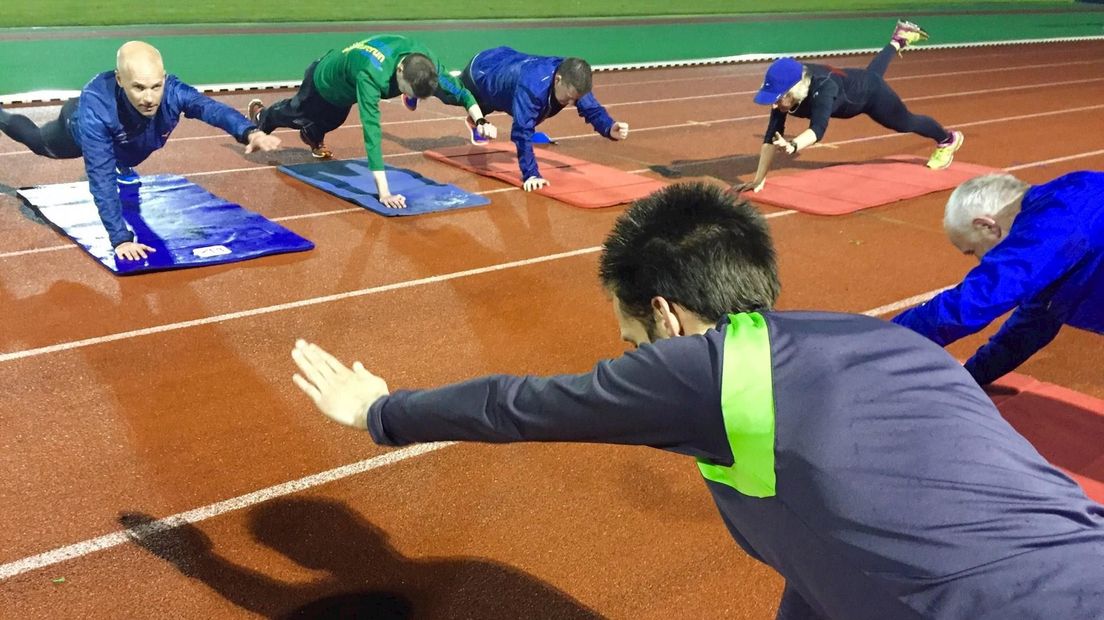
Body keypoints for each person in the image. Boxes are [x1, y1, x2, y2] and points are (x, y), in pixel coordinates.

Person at [291, 182, 1103, 619]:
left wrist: (380, 412)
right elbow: (824, 543)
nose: (629, 359)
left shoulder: (711, 368)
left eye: (630, 338)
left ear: (668, 315)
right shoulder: (879, 340)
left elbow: (518, 405)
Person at [0, 41, 281, 261]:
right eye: (138, 87)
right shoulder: (95, 111)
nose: (149, 98)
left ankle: (125, 161)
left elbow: (210, 108)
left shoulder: (173, 91)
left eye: (155, 86)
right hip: (76, 128)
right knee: (39, 143)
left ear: (164, 79)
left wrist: (250, 131)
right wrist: (120, 238)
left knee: (135, 144)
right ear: (120, 80)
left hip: (132, 139)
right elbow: (100, 177)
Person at [892, 171, 1104, 386]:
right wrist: (970, 379)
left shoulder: (1057, 220)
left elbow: (979, 297)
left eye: (973, 250)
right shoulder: (1071, 197)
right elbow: (1030, 327)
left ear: (987, 226)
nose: (979, 260)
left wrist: (883, 338)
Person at [247, 34, 497, 209]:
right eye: (406, 91)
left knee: (333, 120)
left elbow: (461, 92)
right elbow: (371, 131)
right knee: (297, 113)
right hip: (322, 82)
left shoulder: (426, 62)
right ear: (399, 72)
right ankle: (261, 117)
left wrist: (480, 119)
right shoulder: (371, 74)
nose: (407, 95)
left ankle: (312, 135)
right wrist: (384, 191)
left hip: (344, 92)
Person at [734, 20, 964, 194]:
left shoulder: (823, 89)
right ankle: (898, 39)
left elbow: (819, 129)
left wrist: (794, 145)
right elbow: (770, 137)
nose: (774, 104)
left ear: (795, 89)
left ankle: (947, 139)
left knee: (905, 122)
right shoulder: (786, 91)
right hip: (857, 80)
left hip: (870, 96)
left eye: (777, 98)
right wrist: (758, 179)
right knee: (871, 75)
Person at [458, 47, 629, 192]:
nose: (571, 104)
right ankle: (475, 119)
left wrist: (609, 127)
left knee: (528, 108)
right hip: (480, 71)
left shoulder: (574, 78)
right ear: (558, 80)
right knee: (476, 97)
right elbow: (521, 132)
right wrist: (530, 174)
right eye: (568, 98)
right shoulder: (532, 87)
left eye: (574, 100)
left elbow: (590, 108)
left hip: (508, 60)